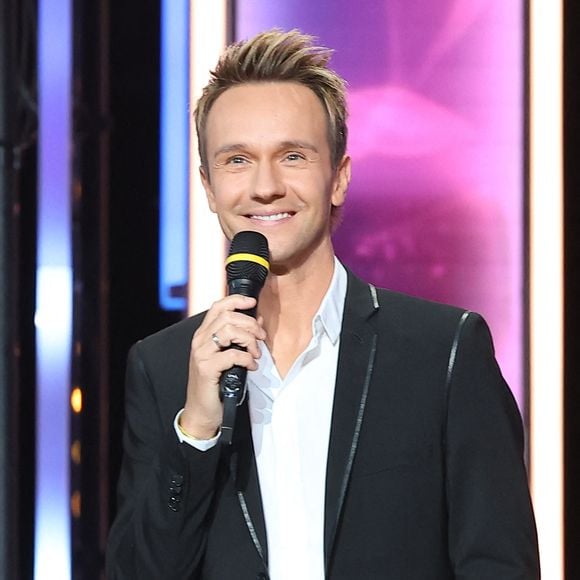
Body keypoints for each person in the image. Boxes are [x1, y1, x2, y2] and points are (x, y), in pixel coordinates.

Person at [106, 29, 540, 579]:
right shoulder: (164, 367)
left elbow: (499, 564)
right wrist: (196, 432)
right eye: (237, 160)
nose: (265, 187)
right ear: (208, 187)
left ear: (338, 177)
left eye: (292, 155)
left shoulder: (442, 353)